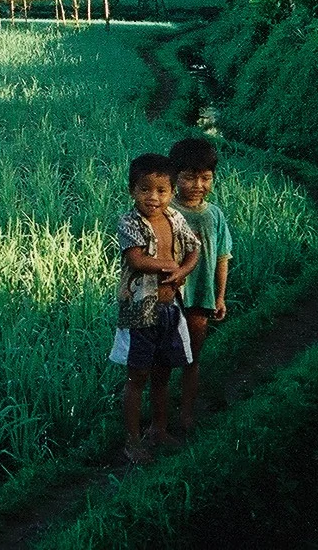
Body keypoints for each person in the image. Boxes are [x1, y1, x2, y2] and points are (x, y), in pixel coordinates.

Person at [112, 152, 200, 463]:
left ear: (172, 192)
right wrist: (167, 263)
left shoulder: (176, 219)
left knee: (163, 374)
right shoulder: (129, 222)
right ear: (131, 190)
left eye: (161, 191)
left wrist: (182, 271)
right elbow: (136, 260)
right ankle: (132, 441)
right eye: (145, 189)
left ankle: (158, 429)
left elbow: (194, 250)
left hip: (170, 310)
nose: (153, 197)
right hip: (139, 312)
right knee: (137, 376)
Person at [170, 135, 234, 432]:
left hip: (201, 296)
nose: (198, 185)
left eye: (205, 178)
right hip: (167, 297)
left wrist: (219, 296)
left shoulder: (215, 215)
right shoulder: (166, 211)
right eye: (189, 178)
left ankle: (186, 413)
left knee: (192, 357)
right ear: (175, 177)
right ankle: (160, 417)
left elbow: (222, 257)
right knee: (163, 357)